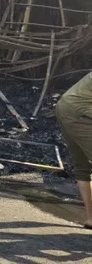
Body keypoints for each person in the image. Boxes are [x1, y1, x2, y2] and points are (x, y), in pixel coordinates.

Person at [55, 72, 92, 229]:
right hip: (79, 113)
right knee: (82, 167)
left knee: (82, 166)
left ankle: (91, 219)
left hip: (65, 107)